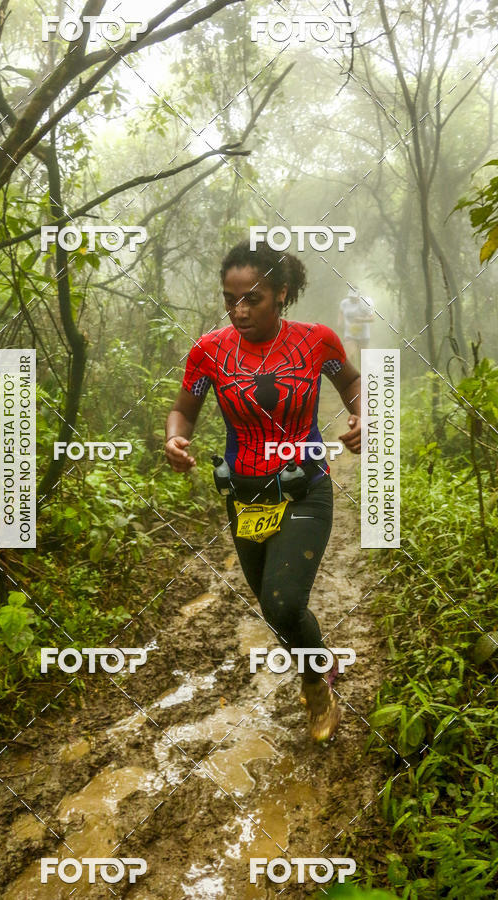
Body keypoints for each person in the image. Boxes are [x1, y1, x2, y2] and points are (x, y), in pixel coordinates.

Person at [164, 240, 361, 742]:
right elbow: (184, 408)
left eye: (252, 298)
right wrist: (175, 437)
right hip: (245, 497)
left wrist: (366, 417)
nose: (239, 310)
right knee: (275, 610)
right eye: (230, 299)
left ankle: (318, 687)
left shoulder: (318, 342)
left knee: (281, 600)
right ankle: (320, 662)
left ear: (282, 294)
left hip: (304, 489)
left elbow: (356, 386)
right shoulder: (210, 351)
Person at [338, 289, 374, 362]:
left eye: (354, 297)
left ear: (358, 296)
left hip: (363, 335)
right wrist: (339, 323)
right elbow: (341, 312)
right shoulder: (344, 303)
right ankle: (352, 372)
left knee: (362, 359)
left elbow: (372, 318)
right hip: (350, 333)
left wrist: (361, 320)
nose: (352, 299)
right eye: (351, 297)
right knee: (349, 355)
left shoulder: (365, 303)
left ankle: (361, 372)